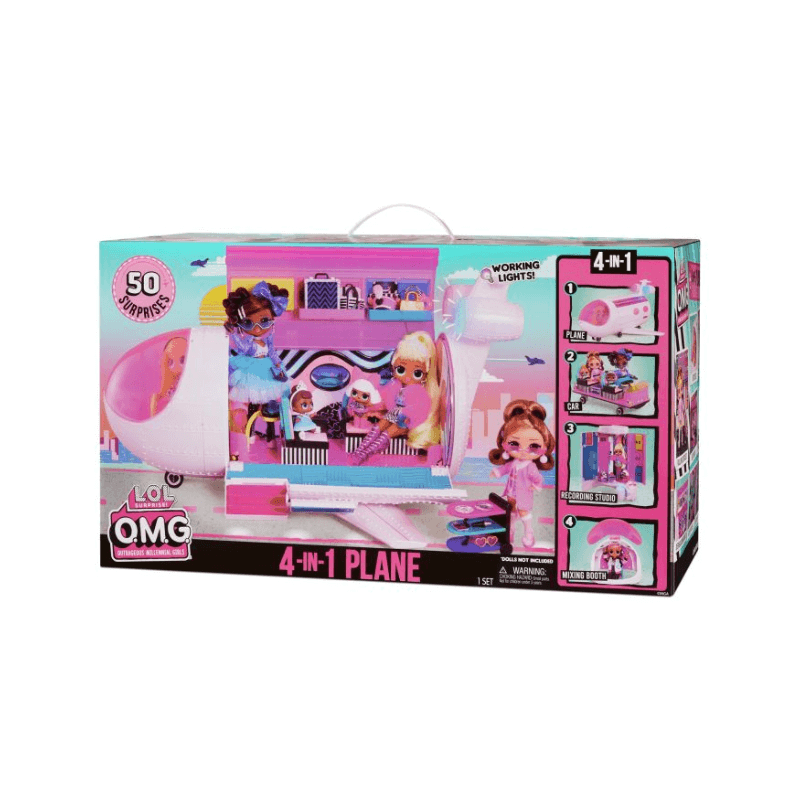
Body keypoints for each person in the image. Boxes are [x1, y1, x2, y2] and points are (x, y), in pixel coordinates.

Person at [489, 400, 555, 550]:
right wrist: (497, 472)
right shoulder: (514, 463)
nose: (523, 450)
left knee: (524, 512)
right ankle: (510, 531)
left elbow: (538, 478)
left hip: (524, 494)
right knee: (510, 512)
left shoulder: (530, 466)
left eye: (534, 446)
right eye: (514, 444)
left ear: (543, 448)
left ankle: (528, 532)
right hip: (511, 493)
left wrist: (536, 485)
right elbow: (505, 468)